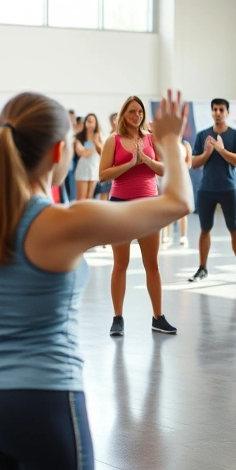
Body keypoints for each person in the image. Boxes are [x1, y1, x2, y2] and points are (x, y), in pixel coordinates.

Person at [0, 90, 193, 470]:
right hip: (43, 403)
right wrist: (169, 138)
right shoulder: (63, 222)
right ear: (59, 151)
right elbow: (179, 201)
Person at [99, 96, 176, 336]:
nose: (137, 116)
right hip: (120, 206)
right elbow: (103, 175)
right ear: (123, 115)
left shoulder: (152, 139)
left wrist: (146, 160)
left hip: (149, 206)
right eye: (132, 112)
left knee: (152, 265)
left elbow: (165, 169)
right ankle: (118, 318)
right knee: (120, 264)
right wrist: (130, 164)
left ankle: (158, 316)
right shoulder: (114, 140)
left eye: (140, 112)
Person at [189, 98, 236, 283]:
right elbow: (193, 163)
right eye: (214, 109)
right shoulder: (202, 135)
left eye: (221, 109)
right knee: (204, 229)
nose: (217, 113)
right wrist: (207, 152)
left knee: (234, 228)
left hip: (228, 188)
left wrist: (221, 150)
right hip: (206, 189)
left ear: (227, 113)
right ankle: (202, 268)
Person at [162, 139, 192, 247]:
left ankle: (183, 236)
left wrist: (179, 166)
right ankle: (166, 236)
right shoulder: (165, 144)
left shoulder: (185, 144)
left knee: (182, 210)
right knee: (168, 209)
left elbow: (189, 164)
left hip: (182, 180)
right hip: (169, 180)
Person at [73, 113, 103, 201]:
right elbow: (81, 153)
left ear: (96, 123)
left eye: (91, 121)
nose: (89, 123)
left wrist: (95, 142)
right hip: (83, 168)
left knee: (90, 197)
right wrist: (94, 143)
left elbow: (102, 152)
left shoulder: (99, 136)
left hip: (94, 168)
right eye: (87, 120)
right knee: (81, 198)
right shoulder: (79, 136)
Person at [98, 112, 118, 201]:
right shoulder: (107, 136)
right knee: (104, 192)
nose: (115, 121)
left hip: (117, 168)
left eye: (116, 119)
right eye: (113, 119)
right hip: (108, 167)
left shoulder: (122, 136)